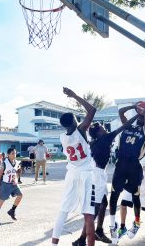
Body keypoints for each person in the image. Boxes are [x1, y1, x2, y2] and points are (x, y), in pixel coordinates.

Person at [72, 114, 139, 246]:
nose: (105, 129)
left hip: (98, 173)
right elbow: (124, 126)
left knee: (103, 203)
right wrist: (137, 114)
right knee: (95, 209)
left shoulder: (96, 141)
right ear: (98, 133)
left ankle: (99, 230)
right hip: (96, 175)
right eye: (102, 128)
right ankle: (81, 239)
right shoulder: (105, 139)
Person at [51, 87, 96, 246]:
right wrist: (74, 95)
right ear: (75, 122)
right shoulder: (81, 131)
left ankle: (54, 243)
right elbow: (92, 110)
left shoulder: (63, 137)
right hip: (86, 174)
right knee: (89, 214)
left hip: (71, 174)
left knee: (63, 210)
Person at [109, 102, 145, 244]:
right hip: (121, 163)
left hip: (134, 165)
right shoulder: (128, 126)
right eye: (139, 116)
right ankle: (112, 225)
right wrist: (134, 107)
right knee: (114, 194)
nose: (140, 118)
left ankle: (137, 223)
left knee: (135, 196)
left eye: (142, 117)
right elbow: (121, 111)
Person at [0, 148, 23, 225]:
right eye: (12, 153)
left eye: (15, 153)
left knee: (20, 195)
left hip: (13, 184)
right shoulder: (4, 163)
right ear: (8, 155)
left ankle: (12, 210)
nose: (14, 155)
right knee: (2, 200)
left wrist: (16, 179)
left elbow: (17, 172)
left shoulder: (17, 162)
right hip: (5, 184)